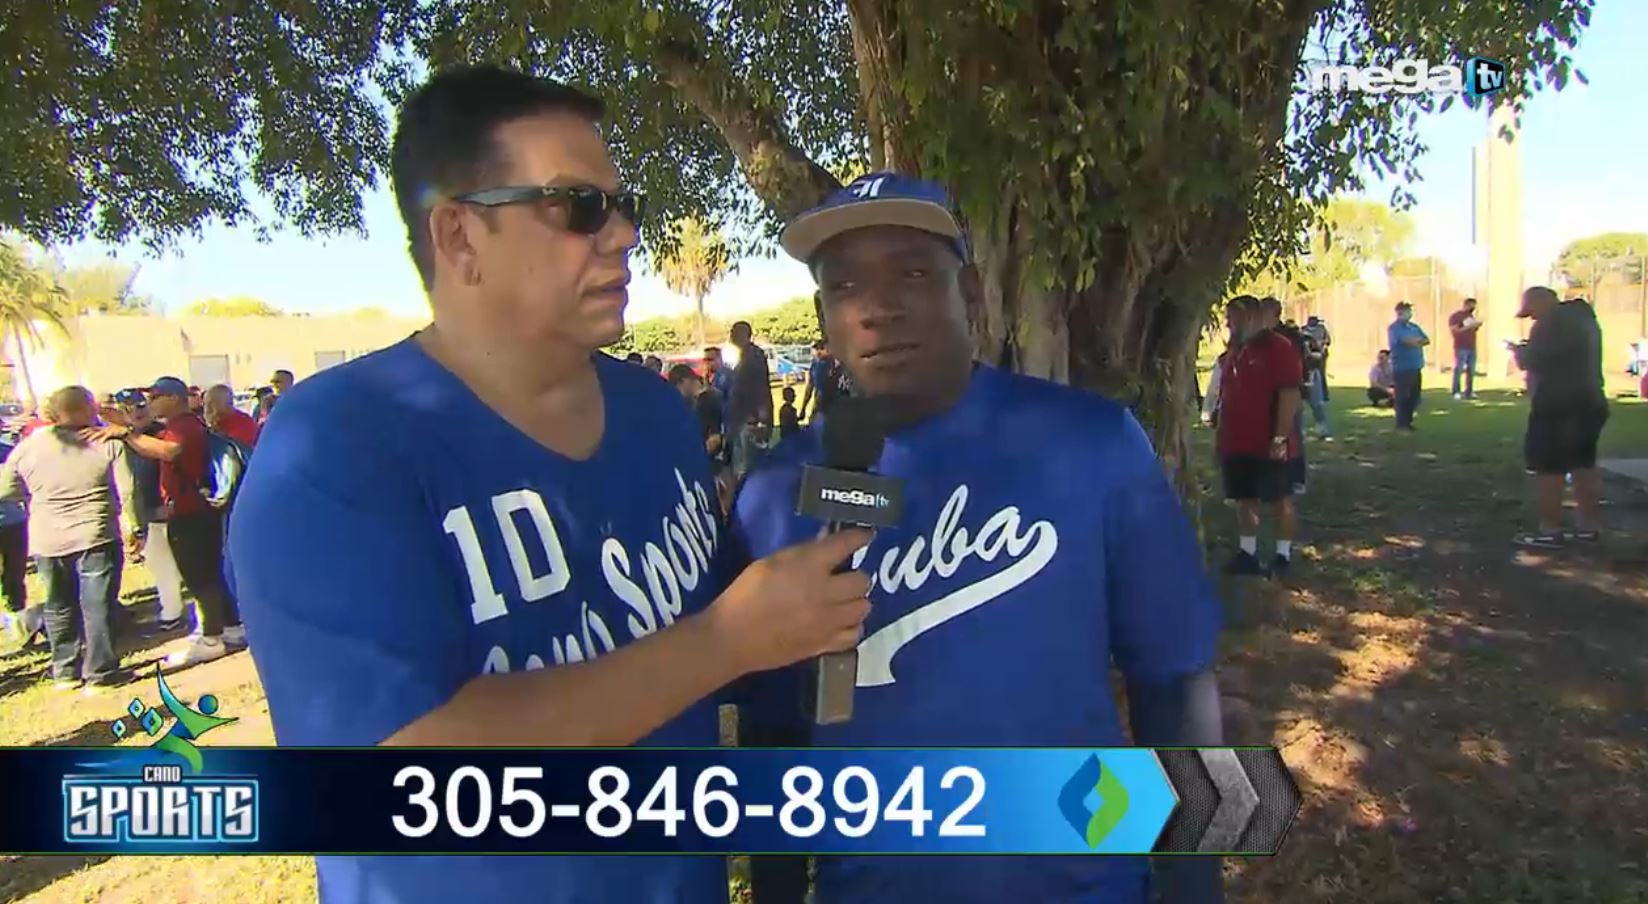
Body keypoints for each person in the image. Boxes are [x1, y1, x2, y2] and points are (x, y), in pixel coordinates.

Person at [220, 65, 871, 904]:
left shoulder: (656, 415)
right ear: (459, 236)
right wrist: (726, 641)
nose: (624, 235)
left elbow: (710, 642)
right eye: (577, 206)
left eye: (624, 206)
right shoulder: (335, 450)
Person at [733, 172, 1225, 904]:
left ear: (968, 293)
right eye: (844, 287)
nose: (876, 308)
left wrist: (1194, 890)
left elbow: (1174, 682)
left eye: (911, 273)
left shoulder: (1091, 444)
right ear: (824, 319)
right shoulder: (776, 494)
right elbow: (771, 732)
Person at [84, 377, 245, 666]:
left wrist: (126, 435)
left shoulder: (183, 426)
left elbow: (170, 451)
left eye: (156, 396)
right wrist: (127, 426)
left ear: (173, 398)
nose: (151, 402)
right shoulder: (179, 425)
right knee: (209, 573)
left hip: (190, 511)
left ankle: (212, 638)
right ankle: (231, 628)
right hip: (193, 509)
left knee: (199, 576)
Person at [0, 386, 136, 688]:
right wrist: (133, 525)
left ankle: (64, 669)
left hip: (48, 537)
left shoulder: (29, 446)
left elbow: (6, 488)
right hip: (95, 531)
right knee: (97, 604)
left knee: (58, 603)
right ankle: (100, 671)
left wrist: (36, 493)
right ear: (84, 409)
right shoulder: (105, 442)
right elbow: (127, 490)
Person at [1511, 287, 1608, 548]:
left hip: (1557, 404)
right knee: (1583, 464)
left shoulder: (1549, 322)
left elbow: (1535, 361)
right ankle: (1588, 527)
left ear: (1543, 301)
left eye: (1532, 312)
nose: (1533, 318)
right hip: (1591, 399)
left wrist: (1521, 352)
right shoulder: (1586, 321)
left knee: (1549, 467)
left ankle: (1550, 531)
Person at [1217, 296, 1303, 578]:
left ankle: (1282, 555)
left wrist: (1279, 438)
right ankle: (1247, 554)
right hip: (1237, 441)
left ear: (1250, 318)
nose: (1227, 323)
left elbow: (1289, 394)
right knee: (1245, 498)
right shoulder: (1235, 350)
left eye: (1232, 317)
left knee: (1280, 499)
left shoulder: (1280, 347)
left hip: (1269, 442)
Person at [114, 391, 190, 634]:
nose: (135, 412)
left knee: (185, 564)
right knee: (159, 563)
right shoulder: (119, 439)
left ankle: (182, 614)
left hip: (172, 509)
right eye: (126, 408)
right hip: (145, 513)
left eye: (139, 405)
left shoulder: (163, 433)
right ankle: (172, 612)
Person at [725, 320, 773, 477]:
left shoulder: (754, 356)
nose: (731, 337)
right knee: (741, 465)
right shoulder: (745, 356)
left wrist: (760, 417)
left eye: (734, 333)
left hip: (750, 418)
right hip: (742, 417)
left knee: (747, 468)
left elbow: (760, 386)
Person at [0, 437, 30, 645]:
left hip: (13, 522)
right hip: (13, 520)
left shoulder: (10, 451)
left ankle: (18, 623)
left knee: (14, 575)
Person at [1387, 301, 1429, 431]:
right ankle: (1401, 424)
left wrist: (1415, 341)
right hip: (1402, 368)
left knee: (1414, 397)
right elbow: (1405, 341)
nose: (1409, 313)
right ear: (1399, 312)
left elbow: (1426, 340)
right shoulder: (1394, 328)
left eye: (1410, 311)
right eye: (1406, 311)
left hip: (1416, 366)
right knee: (1402, 397)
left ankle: (1409, 422)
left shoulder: (1414, 327)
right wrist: (1416, 341)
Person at [668, 362, 724, 460]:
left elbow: (715, 438)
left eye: (677, 387)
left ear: (684, 382)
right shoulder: (688, 403)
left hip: (709, 461)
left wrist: (694, 459)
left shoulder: (707, 400)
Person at [799, 336, 843, 423]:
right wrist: (803, 408)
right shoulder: (815, 364)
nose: (819, 352)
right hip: (819, 405)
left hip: (834, 405)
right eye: (817, 349)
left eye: (822, 349)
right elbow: (810, 386)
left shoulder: (837, 365)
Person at [1448, 297, 1482, 399]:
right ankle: (1456, 391)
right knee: (1459, 369)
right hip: (1461, 346)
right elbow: (1455, 331)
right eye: (1471, 306)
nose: (1473, 308)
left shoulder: (1470, 316)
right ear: (1466, 305)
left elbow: (1472, 330)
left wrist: (1476, 326)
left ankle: (1469, 391)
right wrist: (1469, 327)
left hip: (1472, 346)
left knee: (1471, 370)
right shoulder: (1456, 316)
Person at [1301, 315, 1333, 401]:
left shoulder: (1322, 328)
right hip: (1308, 355)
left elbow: (1328, 341)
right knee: (1307, 375)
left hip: (1321, 354)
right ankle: (1307, 394)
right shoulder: (1303, 330)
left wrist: (1323, 344)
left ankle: (1324, 395)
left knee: (1321, 374)